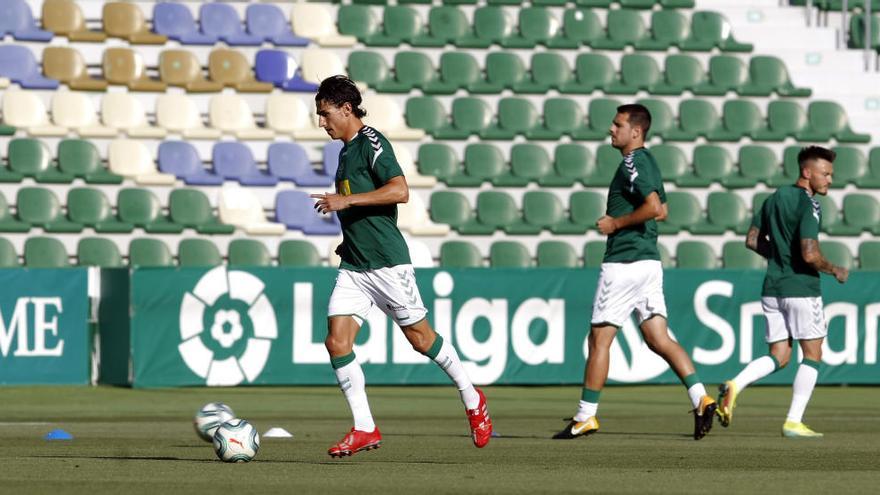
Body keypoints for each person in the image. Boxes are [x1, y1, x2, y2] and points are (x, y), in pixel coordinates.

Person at [310, 75, 492, 457]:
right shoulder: (344, 151)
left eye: (325, 114)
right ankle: (364, 427)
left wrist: (346, 202)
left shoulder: (372, 142)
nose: (322, 122)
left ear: (346, 109)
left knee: (421, 339)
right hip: (356, 265)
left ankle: (472, 396)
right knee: (336, 340)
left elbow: (400, 190)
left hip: (387, 263)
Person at [553, 104, 717, 441]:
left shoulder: (632, 162)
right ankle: (701, 397)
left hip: (625, 262)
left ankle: (586, 416)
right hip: (648, 263)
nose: (611, 129)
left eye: (617, 125)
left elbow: (654, 208)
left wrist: (616, 222)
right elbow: (663, 210)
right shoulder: (649, 161)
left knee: (599, 340)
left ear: (635, 132)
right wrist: (635, 214)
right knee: (659, 338)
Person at [717, 146, 847, 438]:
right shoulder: (809, 204)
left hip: (772, 287)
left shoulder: (773, 198)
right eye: (825, 174)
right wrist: (833, 269)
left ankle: (735, 385)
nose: (829, 180)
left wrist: (778, 256)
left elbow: (751, 240)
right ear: (806, 172)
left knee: (779, 355)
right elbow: (810, 254)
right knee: (812, 354)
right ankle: (793, 421)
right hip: (801, 287)